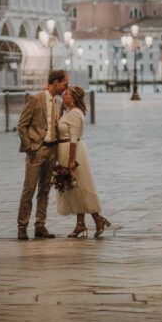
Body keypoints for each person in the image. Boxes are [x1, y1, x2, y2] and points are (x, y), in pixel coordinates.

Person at [16, 69, 69, 240]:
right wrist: (29, 146)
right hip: (37, 150)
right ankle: (22, 226)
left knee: (45, 190)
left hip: (52, 150)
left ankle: (40, 226)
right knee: (29, 189)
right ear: (56, 82)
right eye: (64, 84)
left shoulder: (59, 103)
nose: (65, 88)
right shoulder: (36, 99)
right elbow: (21, 125)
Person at [56, 85, 111, 238]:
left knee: (81, 187)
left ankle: (97, 219)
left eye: (66, 94)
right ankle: (81, 224)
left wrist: (71, 161)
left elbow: (73, 139)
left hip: (73, 153)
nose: (64, 96)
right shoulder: (69, 112)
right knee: (75, 189)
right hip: (66, 150)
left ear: (73, 98)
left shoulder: (75, 114)